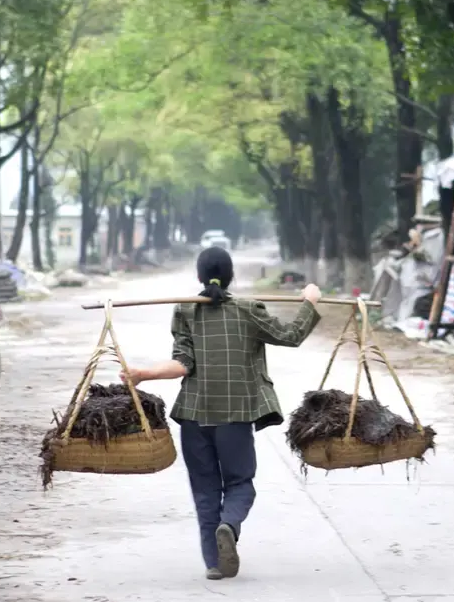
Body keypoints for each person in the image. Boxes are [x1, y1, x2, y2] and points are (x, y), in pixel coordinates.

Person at [121, 246, 322, 580]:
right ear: (231, 276)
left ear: (199, 276)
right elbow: (291, 335)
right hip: (234, 416)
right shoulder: (248, 309)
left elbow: (183, 364)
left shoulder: (186, 310)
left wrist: (143, 374)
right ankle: (229, 525)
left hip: (194, 418)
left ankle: (214, 562)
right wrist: (310, 302)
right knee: (240, 481)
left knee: (205, 490)